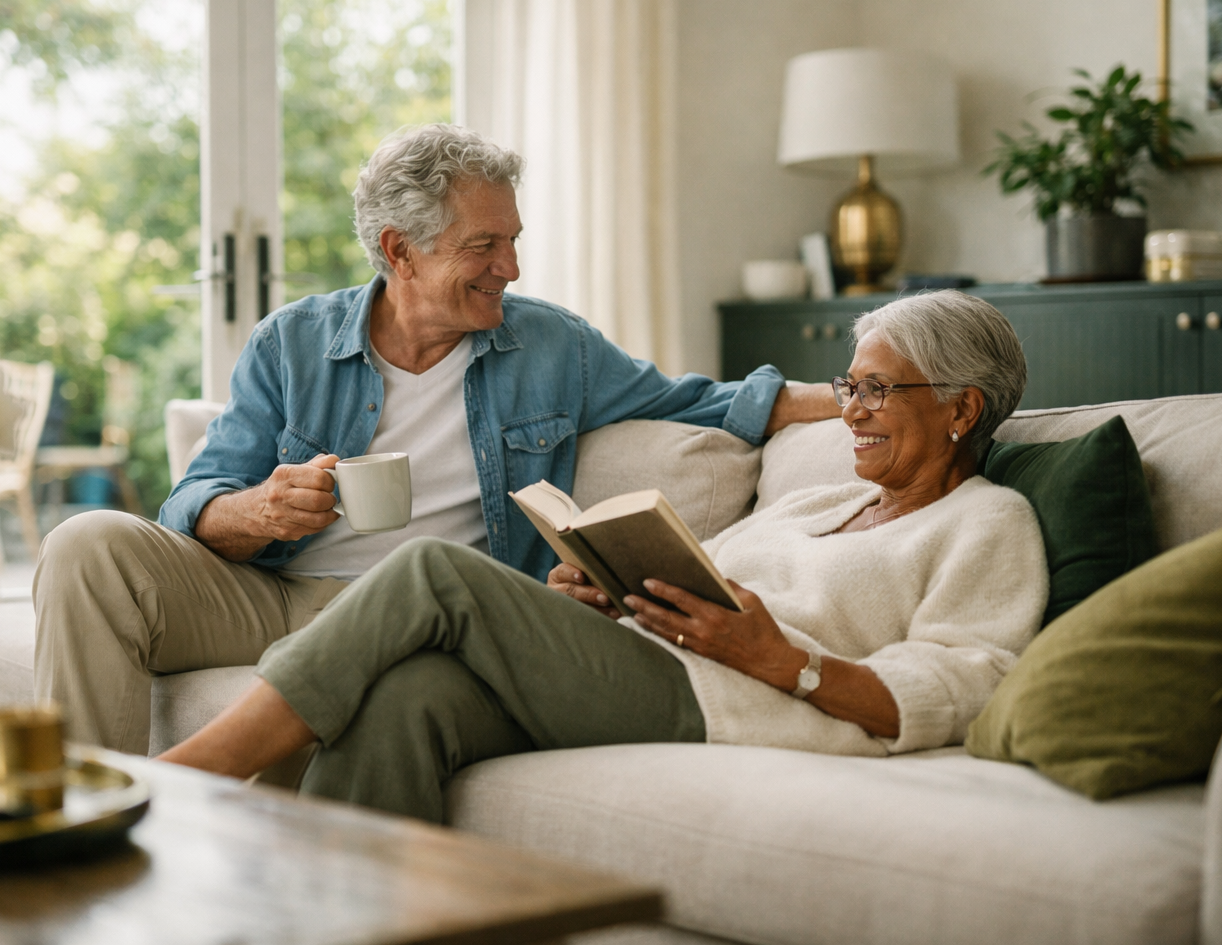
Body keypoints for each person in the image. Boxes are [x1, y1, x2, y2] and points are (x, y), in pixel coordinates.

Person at [33, 124, 840, 753]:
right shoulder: (292, 343)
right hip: (274, 594)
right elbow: (195, 503)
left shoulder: (554, 348)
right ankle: (77, 822)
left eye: (513, 239)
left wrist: (857, 394)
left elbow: (708, 401)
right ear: (399, 251)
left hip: (422, 612)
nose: (511, 267)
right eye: (483, 246)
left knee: (411, 614)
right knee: (87, 543)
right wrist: (261, 511)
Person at [156, 290, 1051, 824]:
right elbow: (699, 584)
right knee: (406, 698)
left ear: (963, 410)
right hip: (656, 666)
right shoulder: (824, 502)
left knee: (435, 570)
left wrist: (786, 664)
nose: (850, 410)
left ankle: (192, 783)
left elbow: (960, 688)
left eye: (876, 390)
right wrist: (608, 593)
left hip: (728, 702)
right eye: (850, 387)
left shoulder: (987, 523)